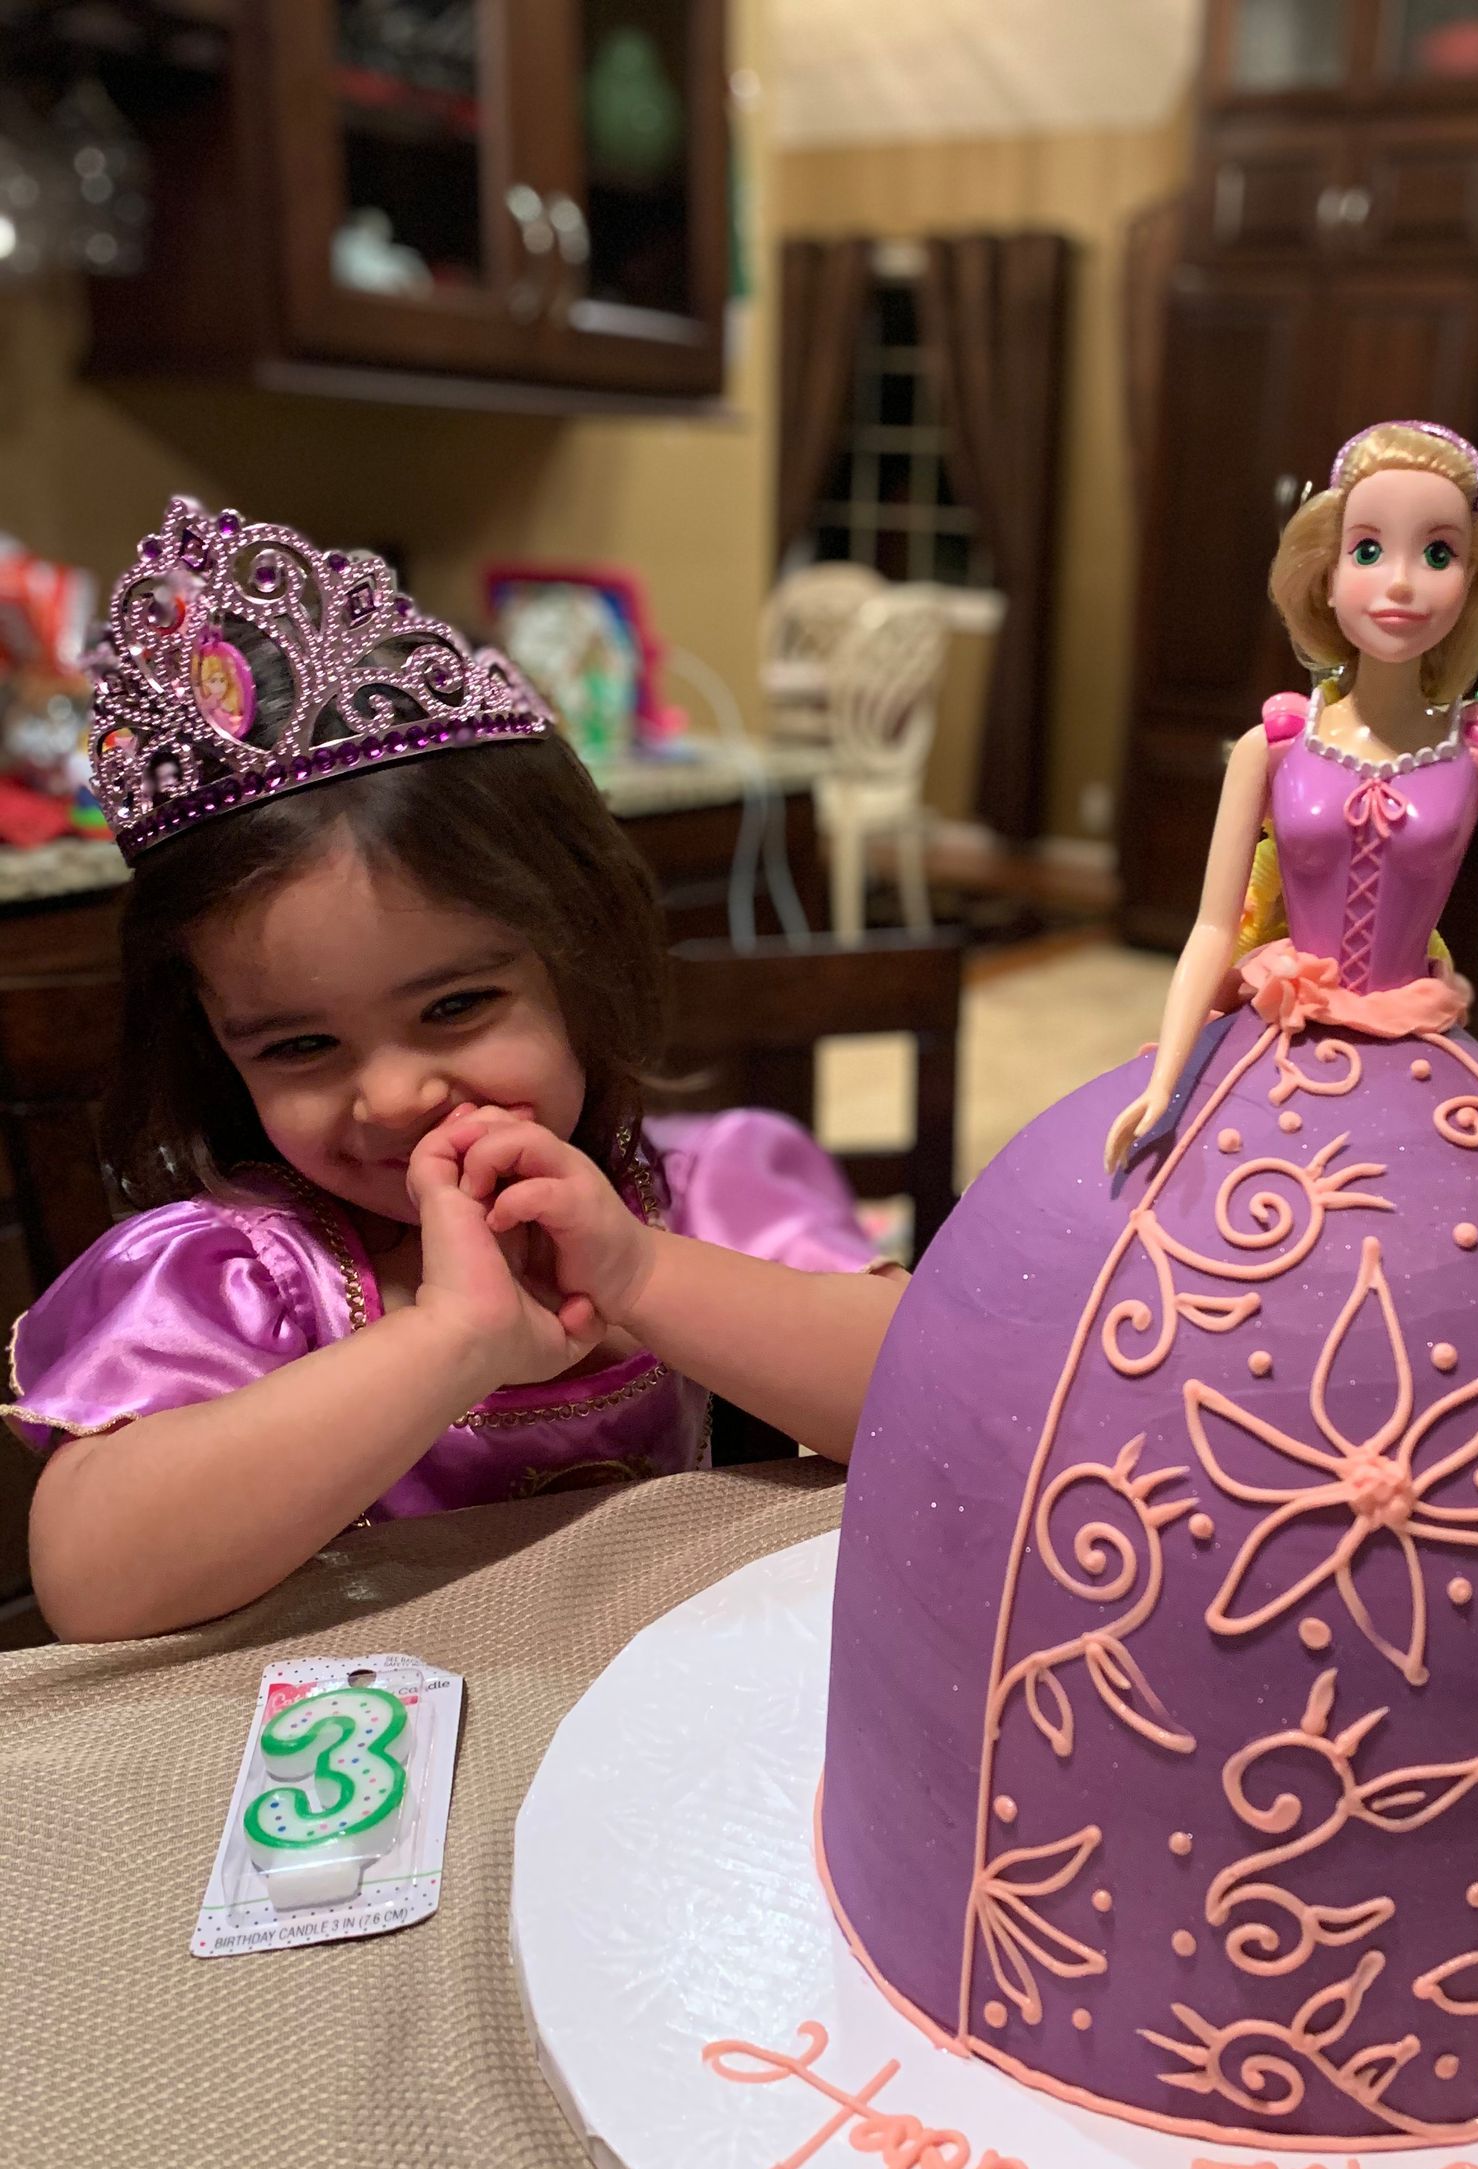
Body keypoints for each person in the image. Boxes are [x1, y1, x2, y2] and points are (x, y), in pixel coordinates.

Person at [8, 497, 906, 1640]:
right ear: (217, 1049)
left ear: (582, 969)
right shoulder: (245, 1278)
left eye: (456, 1004)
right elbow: (90, 1583)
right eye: (297, 1045)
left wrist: (637, 1274)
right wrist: (446, 1344)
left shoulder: (707, 1192)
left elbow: (937, 1390)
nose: (391, 1097)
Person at [1103, 417, 1478, 1213]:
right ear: (1325, 574)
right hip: (1276, 1036)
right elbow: (1212, 928)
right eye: (1368, 550)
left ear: (1471, 583)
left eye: (1437, 554)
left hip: (1417, 1049)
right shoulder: (1277, 743)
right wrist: (1165, 1080)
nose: (1400, 583)